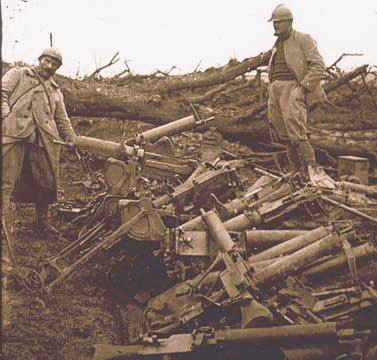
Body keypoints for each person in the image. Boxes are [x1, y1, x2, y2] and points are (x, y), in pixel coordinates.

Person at [1, 47, 77, 237]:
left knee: (46, 181)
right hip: (14, 134)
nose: (49, 66)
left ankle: (43, 222)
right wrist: (6, 115)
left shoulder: (55, 91)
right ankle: (3, 223)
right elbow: (1, 93)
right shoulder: (19, 74)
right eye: (47, 61)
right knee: (6, 180)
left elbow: (62, 119)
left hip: (43, 140)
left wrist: (73, 139)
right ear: (40, 59)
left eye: (54, 64)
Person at [266, 4, 327, 178]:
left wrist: (302, 89)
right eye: (274, 22)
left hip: (292, 87)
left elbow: (318, 65)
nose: (275, 26)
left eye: (278, 22)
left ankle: (312, 171)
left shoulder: (303, 38)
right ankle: (296, 172)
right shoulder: (277, 44)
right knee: (283, 133)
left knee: (297, 132)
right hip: (275, 89)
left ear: (289, 22)